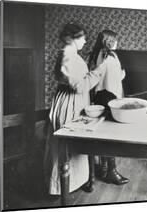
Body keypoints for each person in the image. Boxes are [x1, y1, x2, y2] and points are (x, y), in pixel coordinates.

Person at [43, 23, 106, 195]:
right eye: (83, 38)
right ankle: (60, 187)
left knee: (74, 147)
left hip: (74, 101)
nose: (85, 41)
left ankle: (74, 182)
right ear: (73, 38)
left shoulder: (71, 54)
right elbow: (80, 86)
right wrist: (99, 70)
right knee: (67, 146)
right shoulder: (68, 57)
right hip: (70, 103)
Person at [88, 29, 129, 185]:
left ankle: (105, 168)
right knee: (111, 134)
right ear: (109, 41)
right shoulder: (110, 57)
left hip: (100, 96)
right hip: (109, 96)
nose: (117, 42)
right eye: (115, 40)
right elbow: (114, 79)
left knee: (103, 133)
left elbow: (100, 76)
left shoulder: (98, 53)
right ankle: (111, 171)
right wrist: (123, 75)